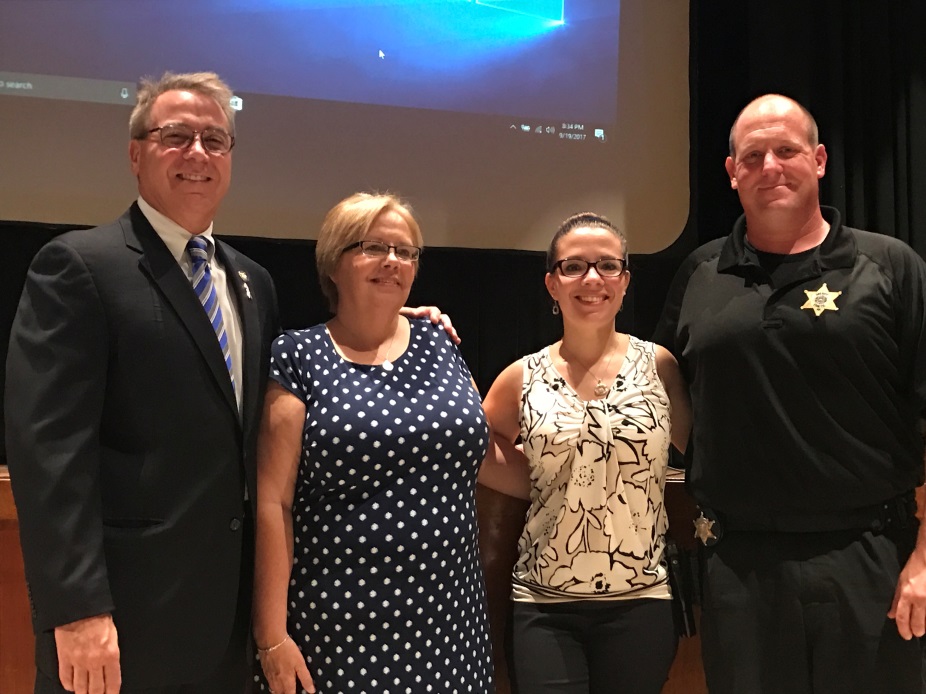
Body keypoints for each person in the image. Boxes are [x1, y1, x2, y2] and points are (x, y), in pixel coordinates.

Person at [5, 71, 281, 693]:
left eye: (215, 139)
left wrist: (397, 321)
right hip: (120, 622)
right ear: (136, 154)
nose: (198, 153)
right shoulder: (79, 266)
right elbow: (48, 452)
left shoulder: (252, 282)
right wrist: (76, 609)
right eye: (176, 135)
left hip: (226, 621)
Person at [654, 93, 926, 693]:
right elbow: (655, 392)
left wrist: (925, 561)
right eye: (753, 156)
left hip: (873, 559)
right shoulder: (699, 274)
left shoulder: (891, 265)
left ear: (821, 159)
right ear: (731, 173)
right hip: (737, 567)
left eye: (786, 150)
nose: (770, 166)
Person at [251, 193, 495, 694]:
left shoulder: (439, 340)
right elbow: (273, 504)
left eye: (405, 252)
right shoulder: (299, 355)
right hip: (342, 626)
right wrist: (271, 636)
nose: (392, 261)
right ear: (333, 263)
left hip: (451, 619)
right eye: (373, 247)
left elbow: (477, 452)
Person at [478, 212, 691, 694]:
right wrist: (531, 480)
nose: (592, 278)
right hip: (543, 606)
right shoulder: (521, 377)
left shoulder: (661, 367)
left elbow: (704, 453)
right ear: (552, 284)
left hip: (642, 602)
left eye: (607, 265)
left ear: (625, 281)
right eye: (573, 266)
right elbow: (471, 445)